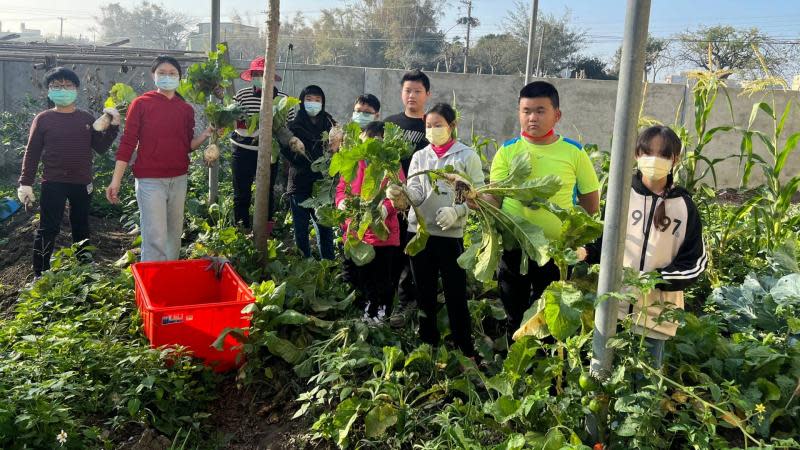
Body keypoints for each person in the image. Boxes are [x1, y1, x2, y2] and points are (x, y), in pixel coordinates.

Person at [582, 125, 706, 368]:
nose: (654, 160)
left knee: (645, 379)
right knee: (604, 375)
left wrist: (654, 280)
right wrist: (585, 253)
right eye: (648, 152)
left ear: (675, 160)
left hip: (654, 314)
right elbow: (603, 242)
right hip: (612, 307)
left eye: (663, 155)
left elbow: (695, 263)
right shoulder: (621, 195)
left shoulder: (683, 206)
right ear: (637, 155)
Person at [489, 81, 600, 337]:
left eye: (540, 111)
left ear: (556, 115)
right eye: (526, 111)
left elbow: (590, 203)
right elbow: (495, 199)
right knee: (514, 311)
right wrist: (477, 201)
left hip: (556, 251)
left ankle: (545, 368)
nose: (532, 117)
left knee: (548, 314)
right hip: (515, 246)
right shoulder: (507, 151)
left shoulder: (573, 152)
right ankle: (515, 363)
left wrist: (571, 234)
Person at [386, 103, 483, 357]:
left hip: (450, 235)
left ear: (451, 126)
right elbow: (417, 194)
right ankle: (428, 342)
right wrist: (401, 194)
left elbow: (476, 196)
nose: (432, 130)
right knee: (424, 292)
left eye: (438, 125)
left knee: (455, 293)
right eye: (428, 126)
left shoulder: (466, 156)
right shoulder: (421, 156)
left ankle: (464, 345)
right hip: (420, 233)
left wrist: (457, 212)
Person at [106, 55, 214, 262]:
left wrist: (206, 134)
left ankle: (169, 278)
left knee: (174, 234)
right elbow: (127, 144)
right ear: (153, 76)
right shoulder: (141, 104)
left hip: (179, 179)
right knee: (155, 235)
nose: (167, 77)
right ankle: (153, 283)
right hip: (150, 181)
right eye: (162, 73)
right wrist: (115, 180)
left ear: (179, 78)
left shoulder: (186, 109)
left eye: (172, 73)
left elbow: (186, 147)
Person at [18, 67, 120, 276]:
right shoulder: (44, 119)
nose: (62, 90)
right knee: (48, 227)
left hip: (82, 182)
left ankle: (84, 266)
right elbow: (32, 151)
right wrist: (25, 182)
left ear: (76, 89)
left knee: (81, 224)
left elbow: (99, 147)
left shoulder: (85, 117)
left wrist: (114, 128)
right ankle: (40, 273)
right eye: (56, 86)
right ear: (49, 91)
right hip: (53, 182)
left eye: (67, 86)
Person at [336, 121, 403, 323]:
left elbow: (399, 194)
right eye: (366, 141)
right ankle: (356, 317)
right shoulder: (354, 163)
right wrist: (341, 203)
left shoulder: (392, 166)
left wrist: (385, 209)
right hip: (354, 232)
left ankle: (378, 317)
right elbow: (341, 188)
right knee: (355, 277)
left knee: (380, 279)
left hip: (383, 234)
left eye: (376, 142)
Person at [230, 56, 304, 228]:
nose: (261, 77)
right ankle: (241, 229)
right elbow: (231, 119)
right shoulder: (242, 95)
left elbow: (288, 129)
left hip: (270, 151)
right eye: (257, 74)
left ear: (272, 76)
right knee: (241, 193)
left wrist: (287, 157)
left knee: (266, 192)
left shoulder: (284, 100)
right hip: (242, 150)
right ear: (252, 76)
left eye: (264, 74)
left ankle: (265, 230)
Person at [384, 69, 432, 328]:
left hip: (420, 202)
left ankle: (407, 302)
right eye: (407, 90)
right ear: (401, 93)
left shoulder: (432, 125)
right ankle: (385, 298)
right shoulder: (390, 124)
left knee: (411, 251)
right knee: (390, 250)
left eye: (417, 91)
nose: (411, 95)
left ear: (427, 94)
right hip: (391, 203)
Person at [282, 84, 336, 260]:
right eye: (309, 100)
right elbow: (289, 155)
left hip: (323, 186)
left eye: (317, 100)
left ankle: (328, 266)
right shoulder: (292, 127)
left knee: (325, 228)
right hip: (300, 185)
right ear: (302, 102)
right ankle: (304, 266)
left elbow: (336, 150)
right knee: (301, 230)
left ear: (323, 102)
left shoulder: (330, 124)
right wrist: (302, 154)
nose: (313, 103)